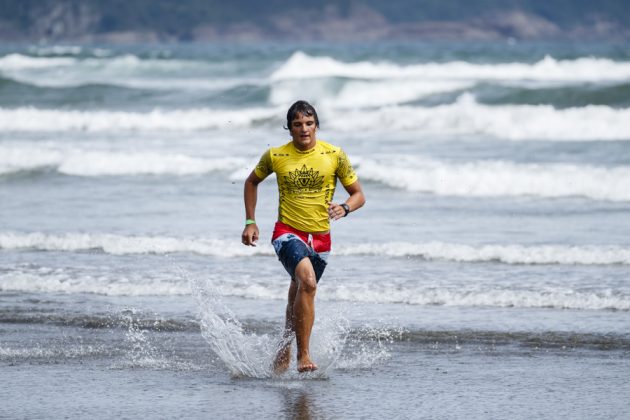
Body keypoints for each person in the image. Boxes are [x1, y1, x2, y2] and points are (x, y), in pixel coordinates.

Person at [241, 100, 365, 373]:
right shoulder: (276, 155)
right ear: (290, 129)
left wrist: (345, 207)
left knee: (300, 292)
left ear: (317, 125)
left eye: (309, 124)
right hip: (287, 232)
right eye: (297, 125)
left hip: (320, 238)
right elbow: (251, 182)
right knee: (307, 282)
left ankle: (283, 348)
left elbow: (359, 195)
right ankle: (303, 355)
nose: (304, 129)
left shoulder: (334, 154)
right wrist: (250, 221)